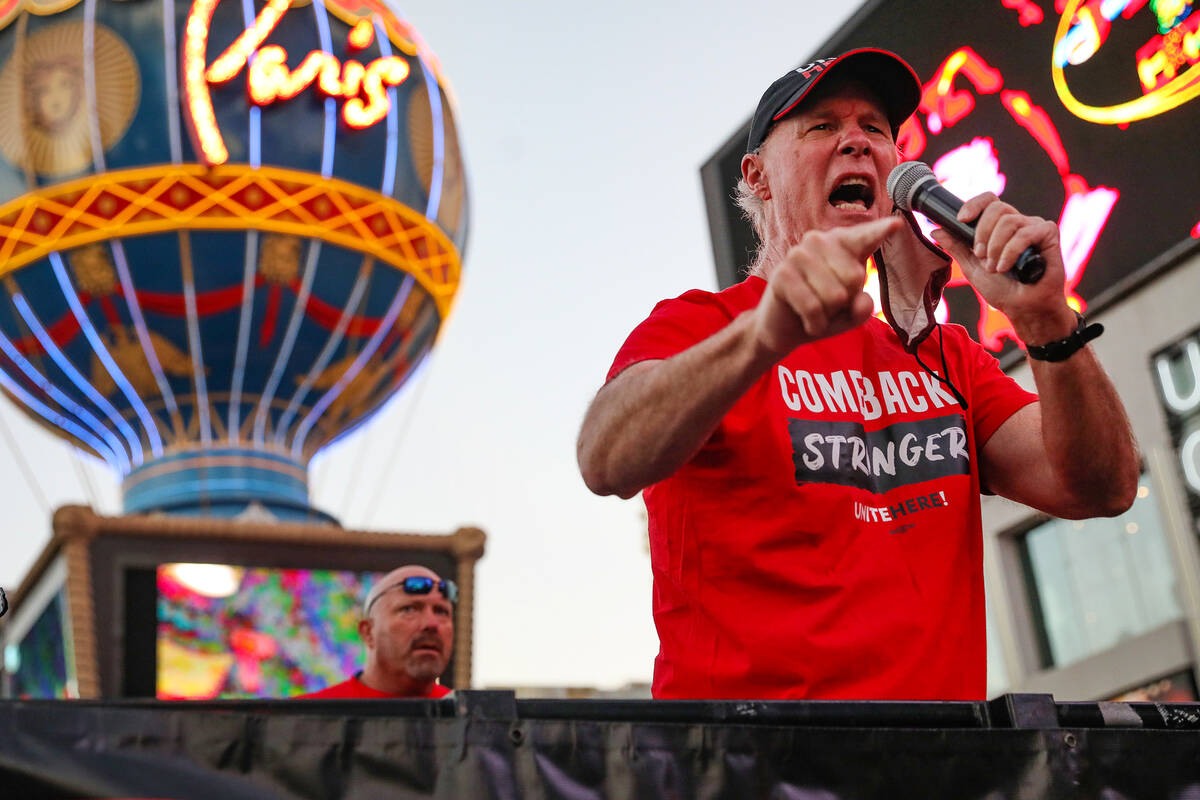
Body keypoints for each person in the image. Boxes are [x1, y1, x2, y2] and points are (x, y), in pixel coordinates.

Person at [576, 48, 1138, 701]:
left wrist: (1046, 322)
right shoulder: (704, 325)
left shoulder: (947, 355)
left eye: (875, 128)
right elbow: (604, 458)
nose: (856, 142)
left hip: (937, 769)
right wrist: (764, 338)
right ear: (757, 177)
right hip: (749, 770)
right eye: (821, 126)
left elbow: (1103, 488)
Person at [297, 565, 455, 699]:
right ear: (368, 632)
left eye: (441, 612)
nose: (432, 624)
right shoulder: (303, 721)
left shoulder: (470, 723)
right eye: (409, 609)